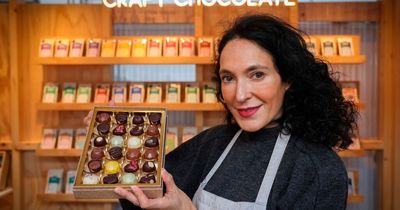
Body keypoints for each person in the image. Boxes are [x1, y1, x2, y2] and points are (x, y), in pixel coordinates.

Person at [84, 14, 358, 210]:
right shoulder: (214, 143)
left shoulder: (319, 171)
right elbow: (144, 193)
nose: (239, 95)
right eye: (228, 78)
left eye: (257, 74)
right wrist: (114, 139)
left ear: (288, 79)